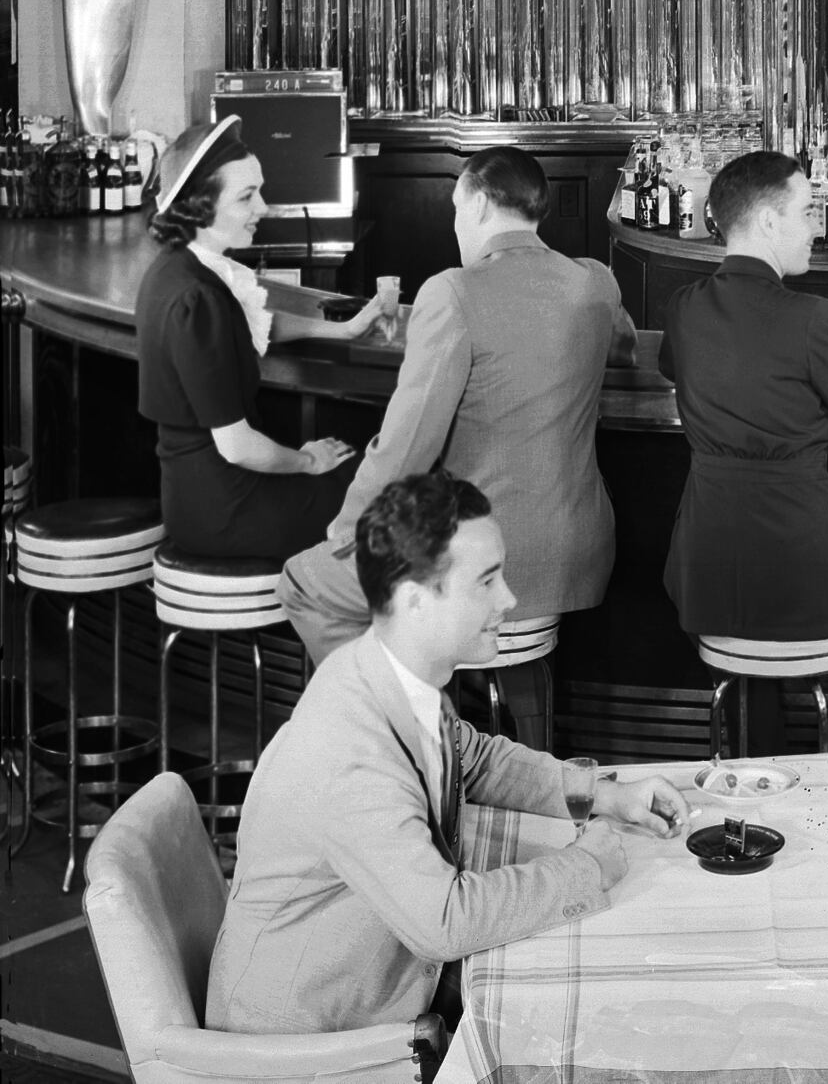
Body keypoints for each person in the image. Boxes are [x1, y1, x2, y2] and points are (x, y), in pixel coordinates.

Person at [207, 472, 688, 1036]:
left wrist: (608, 796)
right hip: (310, 1037)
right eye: (486, 582)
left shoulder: (390, 671)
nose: (509, 599)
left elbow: (474, 758)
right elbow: (444, 921)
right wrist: (586, 868)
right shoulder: (351, 758)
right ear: (415, 601)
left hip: (387, 978)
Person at [279, 147, 637, 741]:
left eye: (454, 209)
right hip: (576, 548)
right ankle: (485, 755)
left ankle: (398, 744)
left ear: (474, 202)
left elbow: (405, 445)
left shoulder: (453, 293)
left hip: (487, 558)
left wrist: (347, 526)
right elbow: (624, 349)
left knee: (305, 581)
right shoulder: (596, 284)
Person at [659, 150, 828, 753]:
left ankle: (761, 758)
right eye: (808, 212)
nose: (817, 225)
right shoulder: (811, 318)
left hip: (708, 564)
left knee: (752, 629)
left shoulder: (682, 307)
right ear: (769, 223)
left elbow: (675, 365)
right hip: (804, 556)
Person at [135, 116, 383, 560]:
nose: (263, 207)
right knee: (379, 494)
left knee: (364, 480)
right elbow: (237, 447)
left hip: (202, 497)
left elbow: (251, 318)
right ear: (199, 206)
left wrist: (341, 328)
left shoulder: (183, 269)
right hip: (226, 512)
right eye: (247, 196)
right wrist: (308, 461)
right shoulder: (197, 299)